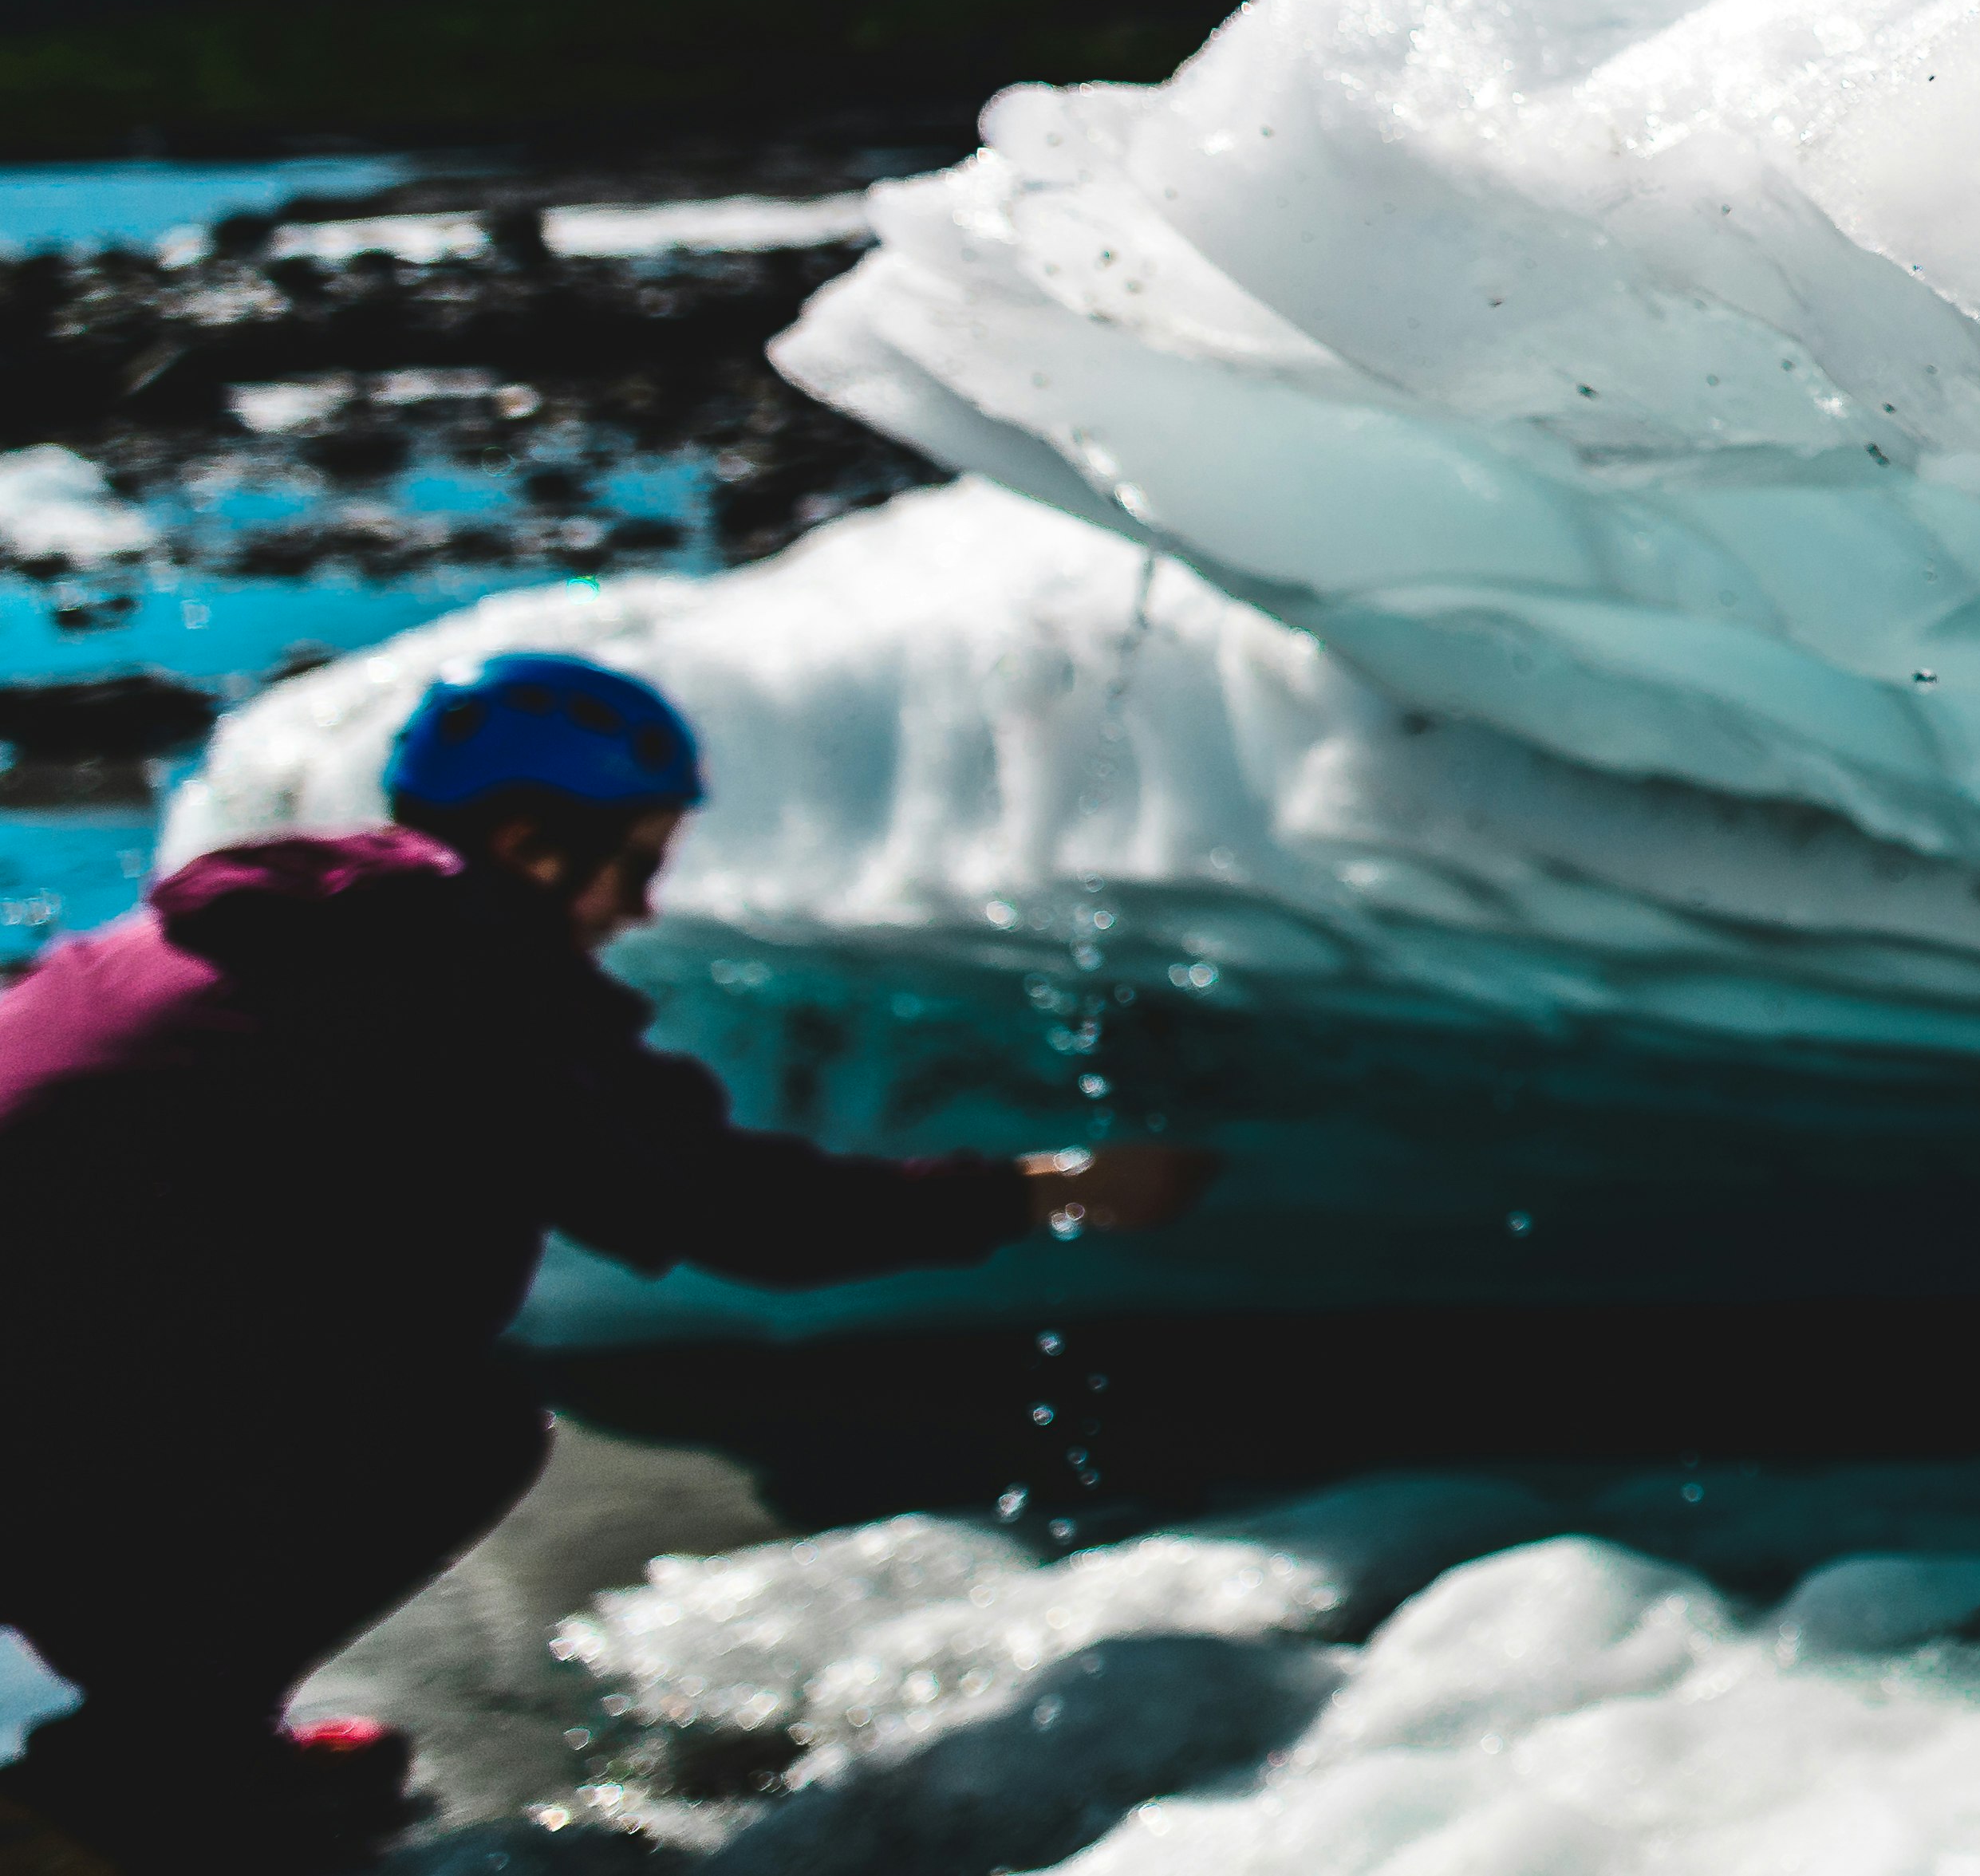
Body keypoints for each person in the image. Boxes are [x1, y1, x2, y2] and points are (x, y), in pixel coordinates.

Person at [0, 654, 1210, 1873]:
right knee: (446, 1424)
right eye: (636, 860)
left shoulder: (236, 935)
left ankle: (191, 1744)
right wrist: (1050, 1188)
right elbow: (743, 1215)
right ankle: (108, 1801)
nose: (637, 908)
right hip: (57, 1421)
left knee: (319, 1332)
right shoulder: (459, 982)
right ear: (530, 842)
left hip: (58, 1402)